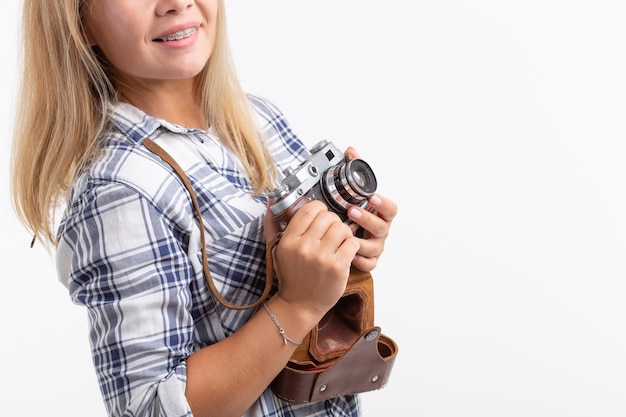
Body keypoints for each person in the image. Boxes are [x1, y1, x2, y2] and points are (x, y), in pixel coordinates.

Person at [11, 1, 398, 416]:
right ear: (79, 22)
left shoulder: (256, 118)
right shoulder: (120, 190)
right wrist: (297, 305)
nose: (176, 3)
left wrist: (347, 243)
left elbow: (312, 289)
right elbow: (149, 408)